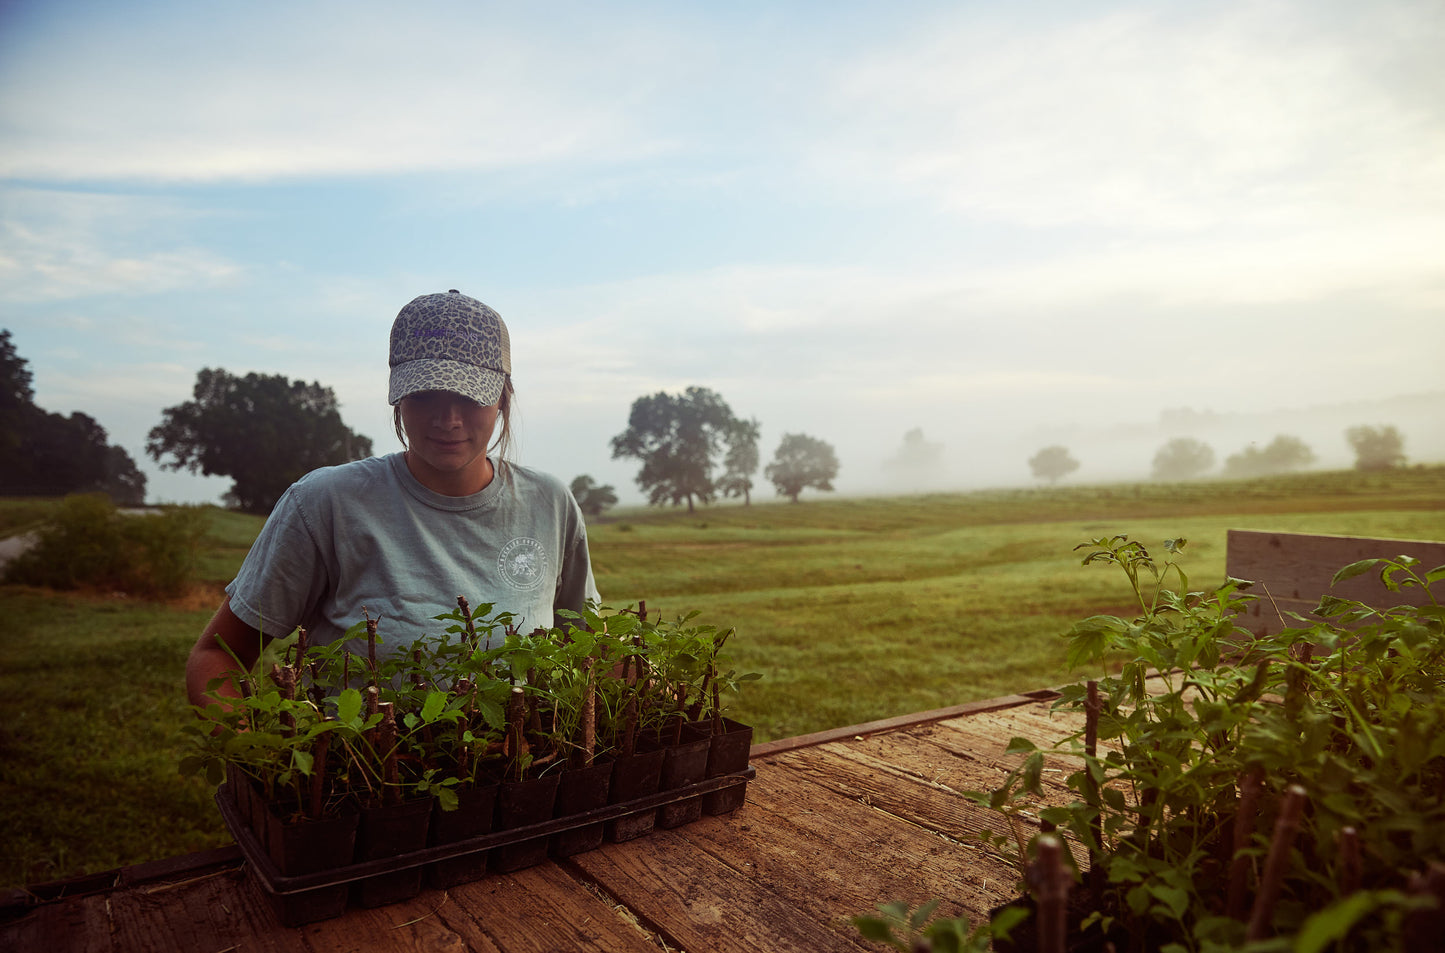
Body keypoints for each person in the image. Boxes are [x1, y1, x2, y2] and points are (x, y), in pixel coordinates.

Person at [186, 290, 599, 707]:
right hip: (360, 771)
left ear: (502, 398)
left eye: (469, 396)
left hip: (522, 769)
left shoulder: (549, 502)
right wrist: (261, 756)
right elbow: (218, 655)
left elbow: (590, 648)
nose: (447, 420)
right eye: (424, 396)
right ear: (398, 397)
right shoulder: (325, 502)